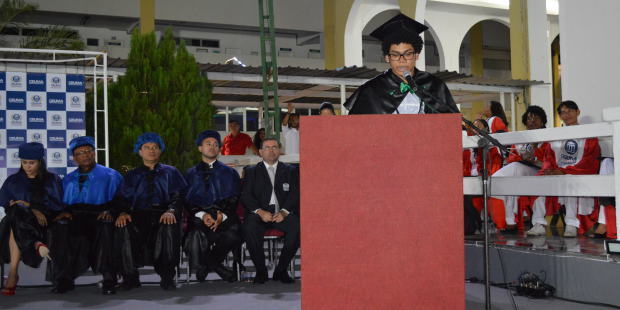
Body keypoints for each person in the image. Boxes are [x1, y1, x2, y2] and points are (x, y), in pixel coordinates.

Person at [344, 13, 458, 115]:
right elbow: (356, 129)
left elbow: (450, 123)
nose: (401, 60)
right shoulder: (371, 90)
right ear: (387, 58)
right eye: (395, 55)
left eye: (407, 54)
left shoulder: (434, 85)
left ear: (416, 56)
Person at [115, 132, 187, 290]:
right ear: (140, 151)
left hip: (163, 214)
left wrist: (171, 210)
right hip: (138, 215)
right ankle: (130, 276)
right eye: (147, 147)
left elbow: (179, 197)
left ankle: (167, 276)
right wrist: (122, 212)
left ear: (160, 150)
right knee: (123, 225)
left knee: (169, 226)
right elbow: (122, 199)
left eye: (155, 147)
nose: (151, 150)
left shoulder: (172, 172)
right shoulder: (131, 176)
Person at [59, 136, 125, 295]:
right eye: (80, 153)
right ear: (74, 158)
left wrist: (110, 211)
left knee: (105, 228)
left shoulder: (111, 175)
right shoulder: (68, 179)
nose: (85, 155)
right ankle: (65, 277)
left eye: (88, 151)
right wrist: (65, 212)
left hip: (101, 213)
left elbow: (121, 199)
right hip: (76, 215)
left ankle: (109, 277)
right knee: (62, 229)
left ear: (94, 153)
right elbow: (62, 203)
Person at [527, 101, 601, 237]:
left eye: (570, 111)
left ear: (578, 112)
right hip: (557, 172)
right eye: (563, 112)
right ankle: (538, 224)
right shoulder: (556, 134)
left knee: (569, 181)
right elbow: (548, 157)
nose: (566, 115)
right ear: (560, 116)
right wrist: (549, 169)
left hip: (576, 173)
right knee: (539, 182)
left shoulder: (589, 135)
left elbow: (590, 161)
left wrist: (565, 171)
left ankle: (572, 225)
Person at [0, 143, 63, 296]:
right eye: (24, 162)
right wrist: (25, 207)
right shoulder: (13, 180)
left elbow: (57, 204)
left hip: (43, 223)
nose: (28, 166)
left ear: (40, 162)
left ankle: (13, 274)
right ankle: (33, 244)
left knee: (15, 220)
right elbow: (5, 203)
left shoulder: (51, 180)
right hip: (18, 222)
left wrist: (32, 207)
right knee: (15, 212)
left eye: (32, 163)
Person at [184, 130, 241, 283]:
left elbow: (234, 197)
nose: (212, 147)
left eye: (216, 144)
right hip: (199, 218)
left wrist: (222, 215)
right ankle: (218, 268)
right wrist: (203, 215)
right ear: (200, 148)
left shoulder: (230, 173)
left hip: (224, 215)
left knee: (233, 234)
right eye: (208, 144)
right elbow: (187, 200)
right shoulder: (190, 174)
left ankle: (204, 266)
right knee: (194, 235)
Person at [241, 138, 300, 284]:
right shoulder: (251, 171)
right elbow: (246, 196)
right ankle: (261, 271)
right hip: (260, 214)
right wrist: (260, 212)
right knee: (249, 226)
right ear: (260, 152)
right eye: (267, 147)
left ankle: (281, 270)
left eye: (275, 147)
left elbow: (295, 193)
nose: (271, 150)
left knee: (297, 227)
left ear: (279, 151)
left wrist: (284, 212)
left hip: (282, 213)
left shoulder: (291, 170)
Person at [488, 106, 547, 231]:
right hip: (522, 169)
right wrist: (522, 158)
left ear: (542, 121)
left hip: (539, 170)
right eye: (530, 118)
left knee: (512, 172)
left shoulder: (547, 136)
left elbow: (550, 161)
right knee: (503, 182)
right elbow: (512, 158)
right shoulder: (521, 137)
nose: (532, 120)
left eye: (536, 118)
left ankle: (512, 219)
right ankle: (510, 219)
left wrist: (535, 158)